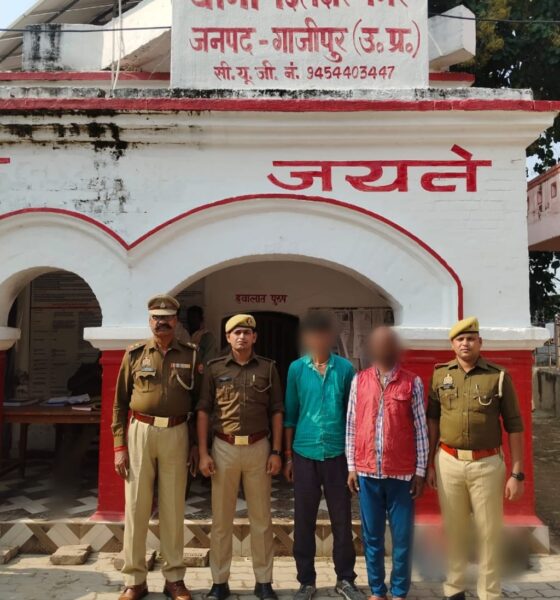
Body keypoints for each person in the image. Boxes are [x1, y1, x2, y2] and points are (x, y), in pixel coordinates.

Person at [426, 317, 525, 600]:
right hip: (448, 462)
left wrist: (517, 473)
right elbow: (433, 420)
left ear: (480, 342)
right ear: (452, 344)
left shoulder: (498, 376)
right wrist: (430, 463)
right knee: (454, 530)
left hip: (487, 464)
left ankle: (489, 593)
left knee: (489, 533)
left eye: (471, 338)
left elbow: (515, 426)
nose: (465, 343)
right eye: (460, 339)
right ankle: (454, 589)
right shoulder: (440, 375)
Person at [112, 294, 201, 600]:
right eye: (156, 317)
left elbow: (199, 404)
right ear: (149, 321)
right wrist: (119, 446)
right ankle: (134, 580)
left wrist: (195, 444)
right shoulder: (135, 354)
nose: (162, 322)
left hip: (177, 432)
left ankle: (174, 578)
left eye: (167, 317)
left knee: (173, 508)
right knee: (136, 507)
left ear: (176, 321)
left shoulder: (190, 355)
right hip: (140, 432)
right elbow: (119, 404)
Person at [197, 314, 284, 600]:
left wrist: (276, 452)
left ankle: (264, 581)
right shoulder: (215, 368)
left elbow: (277, 410)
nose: (242, 337)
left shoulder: (268, 368)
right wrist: (203, 453)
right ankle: (219, 581)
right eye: (236, 332)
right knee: (222, 519)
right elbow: (203, 410)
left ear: (254, 337)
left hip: (259, 448)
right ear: (227, 337)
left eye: (247, 332)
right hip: (224, 448)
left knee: (262, 519)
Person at [283, 311, 363, 600]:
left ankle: (345, 579)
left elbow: (353, 417)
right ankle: (306, 581)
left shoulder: (345, 369)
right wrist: (288, 456)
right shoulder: (296, 369)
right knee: (303, 520)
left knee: (342, 520)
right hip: (304, 453)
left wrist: (353, 461)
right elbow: (290, 414)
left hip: (337, 455)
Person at [346, 326, 428, 600]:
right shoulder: (359, 381)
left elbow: (420, 428)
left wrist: (420, 471)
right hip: (367, 472)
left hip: (401, 475)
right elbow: (351, 424)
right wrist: (351, 466)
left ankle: (400, 591)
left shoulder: (412, 382)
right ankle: (378, 591)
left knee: (402, 538)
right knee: (372, 537)